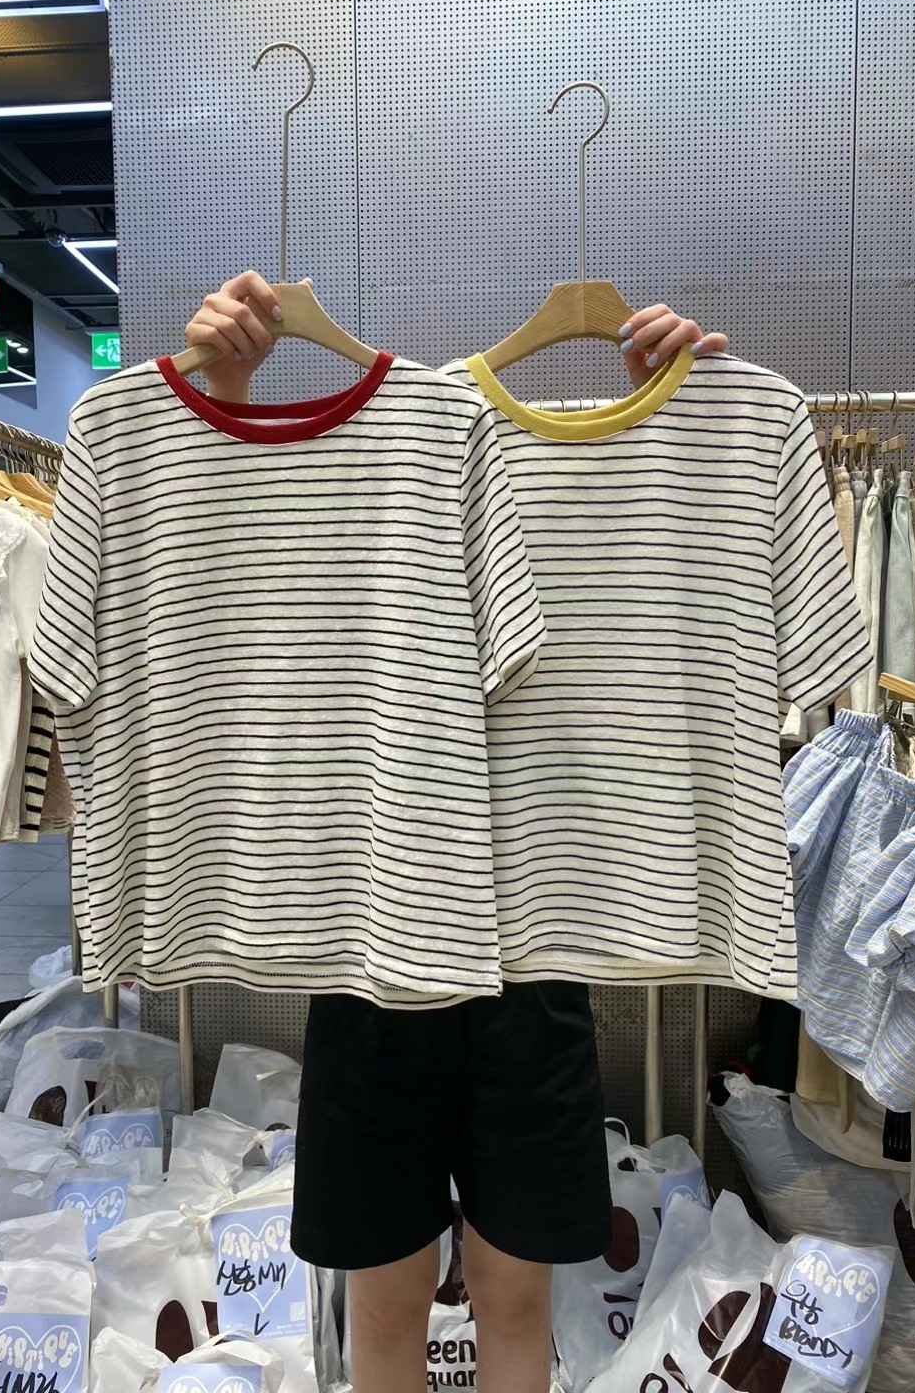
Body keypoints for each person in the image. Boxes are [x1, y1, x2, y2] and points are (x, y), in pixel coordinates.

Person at [183, 272, 730, 1393]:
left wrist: (672, 422)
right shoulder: (397, 449)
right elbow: (258, 564)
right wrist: (228, 400)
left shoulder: (591, 456)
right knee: (385, 1301)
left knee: (516, 1296)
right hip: (376, 945)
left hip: (536, 948)